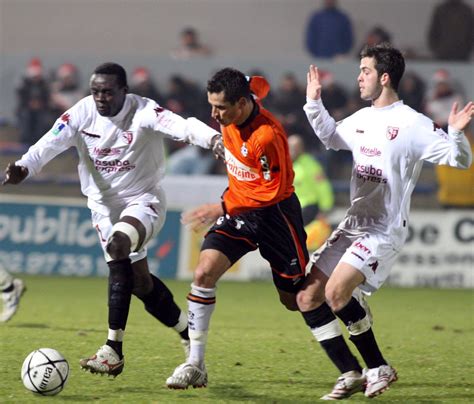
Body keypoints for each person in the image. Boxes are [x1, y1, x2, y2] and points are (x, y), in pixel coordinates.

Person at [2, 62, 224, 377]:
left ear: (124, 91)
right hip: (103, 208)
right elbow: (47, 144)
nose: (101, 98)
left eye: (107, 92)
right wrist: (23, 167)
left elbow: (184, 126)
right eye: (95, 92)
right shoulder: (81, 114)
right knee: (140, 283)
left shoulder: (144, 111)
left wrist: (214, 140)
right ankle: (187, 335)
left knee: (119, 245)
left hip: (143, 200)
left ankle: (113, 349)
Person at [301, 43, 472, 399]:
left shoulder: (412, 123)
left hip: (384, 229)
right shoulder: (362, 118)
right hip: (354, 224)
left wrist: (456, 133)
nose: (359, 77)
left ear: (384, 77)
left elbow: (461, 161)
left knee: (336, 292)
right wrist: (314, 103)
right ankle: (351, 372)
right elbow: (331, 137)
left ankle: (378, 367)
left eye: (364, 71)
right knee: (307, 297)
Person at [165, 68, 310, 389]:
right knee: (203, 274)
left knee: (295, 299)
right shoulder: (235, 108)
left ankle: (344, 297)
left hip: (275, 215)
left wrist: (221, 207)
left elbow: (270, 192)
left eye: (220, 108)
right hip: (238, 210)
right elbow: (258, 83)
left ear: (242, 105)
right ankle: (195, 364)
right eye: (211, 105)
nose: (214, 114)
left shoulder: (268, 135)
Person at [288, 134, 334, 251]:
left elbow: (323, 187)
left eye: (294, 147)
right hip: (293, 207)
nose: (291, 150)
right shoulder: (286, 164)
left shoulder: (310, 165)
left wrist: (325, 209)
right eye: (289, 147)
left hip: (309, 206)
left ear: (301, 148)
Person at [15, 58, 51, 145]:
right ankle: (25, 140)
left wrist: (40, 104)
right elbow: (22, 98)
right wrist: (30, 104)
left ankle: (39, 140)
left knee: (42, 119)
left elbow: (46, 98)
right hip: (26, 109)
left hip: (41, 109)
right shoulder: (24, 83)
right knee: (25, 116)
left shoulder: (44, 84)